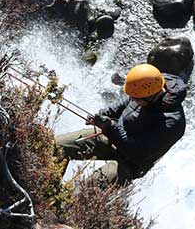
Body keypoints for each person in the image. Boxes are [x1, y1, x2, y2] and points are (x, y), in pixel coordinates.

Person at [55, 63, 187, 183]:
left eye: (136, 99)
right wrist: (104, 114)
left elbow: (138, 152)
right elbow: (124, 103)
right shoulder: (148, 85)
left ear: (149, 98)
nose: (133, 100)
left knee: (85, 189)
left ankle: (60, 205)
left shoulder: (172, 123)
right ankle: (47, 191)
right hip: (111, 136)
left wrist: (110, 128)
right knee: (57, 146)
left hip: (130, 162)